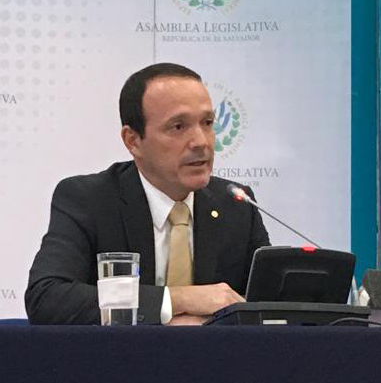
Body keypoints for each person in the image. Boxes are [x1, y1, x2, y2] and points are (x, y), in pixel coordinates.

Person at [25, 63, 269, 325]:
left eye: (207, 123)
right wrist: (175, 300)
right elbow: (47, 297)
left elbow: (271, 306)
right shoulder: (90, 200)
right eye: (178, 127)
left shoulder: (236, 204)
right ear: (133, 140)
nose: (201, 142)